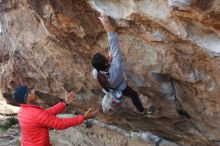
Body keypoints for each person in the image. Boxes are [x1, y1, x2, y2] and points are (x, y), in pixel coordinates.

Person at [91, 13, 154, 116]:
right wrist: (105, 23)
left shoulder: (96, 72)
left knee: (129, 94)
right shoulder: (117, 65)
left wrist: (110, 60)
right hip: (121, 86)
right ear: (107, 62)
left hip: (109, 87)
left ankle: (114, 97)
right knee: (133, 94)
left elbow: (105, 70)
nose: (106, 53)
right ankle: (143, 111)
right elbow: (113, 39)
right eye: (106, 54)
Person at [12, 85, 99, 146]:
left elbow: (46, 114)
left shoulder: (23, 110)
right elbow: (59, 124)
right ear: (26, 97)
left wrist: (64, 103)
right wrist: (83, 117)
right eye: (29, 92)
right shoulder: (34, 113)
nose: (33, 91)